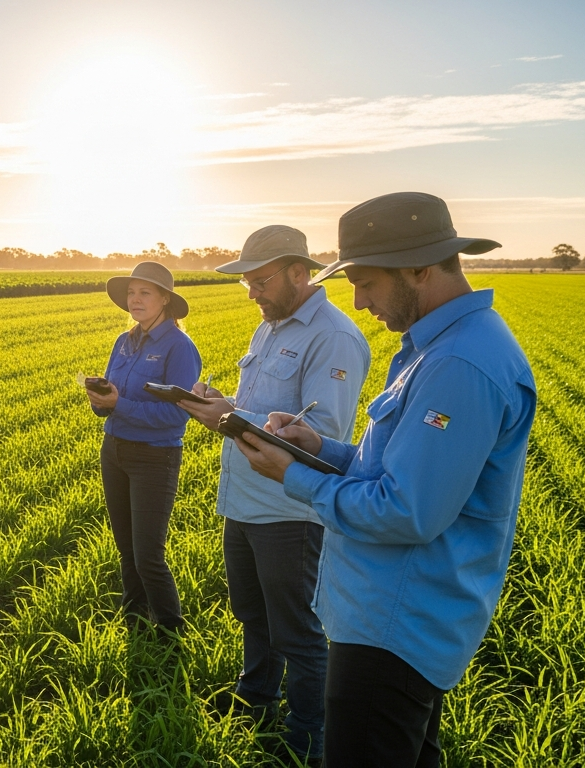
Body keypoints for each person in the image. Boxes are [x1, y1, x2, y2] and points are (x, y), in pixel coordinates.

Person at [230, 192, 535, 767]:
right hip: (393, 617)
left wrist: (295, 476)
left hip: (394, 628)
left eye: (366, 283)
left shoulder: (458, 365)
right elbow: (399, 468)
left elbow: (405, 510)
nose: (359, 302)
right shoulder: (442, 346)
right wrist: (322, 449)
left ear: (419, 269)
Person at [179, 226, 370, 762]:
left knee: (298, 630)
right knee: (251, 611)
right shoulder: (269, 327)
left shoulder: (332, 337)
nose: (252, 292)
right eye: (246, 283)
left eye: (260, 280)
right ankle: (257, 699)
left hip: (289, 509)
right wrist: (225, 403)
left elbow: (319, 434)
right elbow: (265, 406)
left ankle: (308, 736)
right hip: (242, 499)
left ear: (298, 271)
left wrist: (231, 418)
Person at [89, 262, 201, 637]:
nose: (134, 300)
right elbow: (109, 399)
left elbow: (176, 416)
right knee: (126, 550)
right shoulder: (124, 341)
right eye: (131, 293)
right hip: (115, 450)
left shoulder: (180, 348)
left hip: (155, 457)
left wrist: (118, 404)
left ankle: (172, 635)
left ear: (165, 300)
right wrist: (100, 399)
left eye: (145, 293)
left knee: (149, 556)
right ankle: (134, 623)